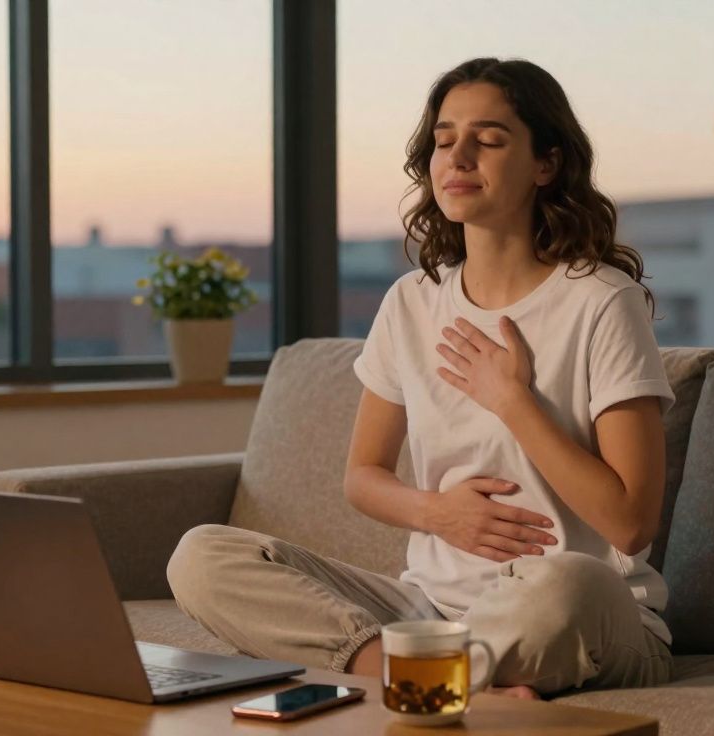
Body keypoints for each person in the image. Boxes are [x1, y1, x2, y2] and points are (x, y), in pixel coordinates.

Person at [167, 57, 674, 699]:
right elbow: (363, 477)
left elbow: (630, 523)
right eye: (442, 140)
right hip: (429, 613)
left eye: (488, 140)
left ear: (546, 164)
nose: (457, 156)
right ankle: (423, 679)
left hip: (587, 615)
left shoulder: (602, 301)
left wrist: (513, 402)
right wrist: (438, 515)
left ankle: (433, 684)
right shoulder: (413, 301)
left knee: (569, 582)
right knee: (202, 555)